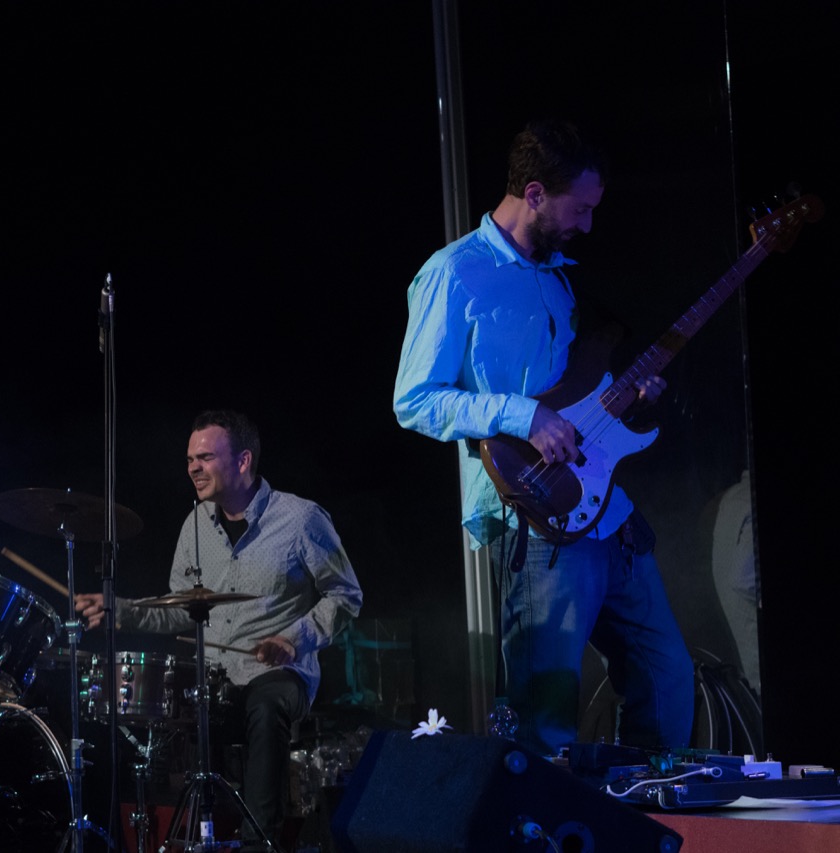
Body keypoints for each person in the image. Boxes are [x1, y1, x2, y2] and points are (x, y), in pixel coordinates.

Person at [392, 119, 693, 757]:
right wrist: (521, 415)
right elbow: (413, 400)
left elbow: (573, 395)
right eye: (579, 208)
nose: (588, 224)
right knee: (546, 719)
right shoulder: (454, 273)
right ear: (534, 193)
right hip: (533, 515)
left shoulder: (558, 278)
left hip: (606, 508)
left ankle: (645, 807)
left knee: (667, 680)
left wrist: (628, 401)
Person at [75, 410, 363, 850]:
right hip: (213, 677)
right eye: (190, 459)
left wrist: (293, 640)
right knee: (163, 716)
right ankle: (191, 836)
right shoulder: (194, 526)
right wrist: (122, 611)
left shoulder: (301, 519)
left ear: (243, 461)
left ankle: (259, 843)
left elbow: (345, 596)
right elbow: (180, 611)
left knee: (265, 706)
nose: (193, 468)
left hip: (279, 673)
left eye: (205, 457)